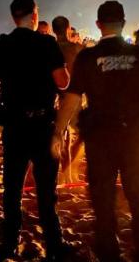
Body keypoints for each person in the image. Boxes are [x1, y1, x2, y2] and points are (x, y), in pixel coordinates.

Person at [53, 0, 139, 261]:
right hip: (135, 134)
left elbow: (73, 98)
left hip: (100, 136)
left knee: (103, 198)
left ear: (99, 25)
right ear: (123, 23)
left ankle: (109, 251)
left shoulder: (88, 57)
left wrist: (58, 131)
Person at [0, 0, 71, 260]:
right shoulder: (47, 43)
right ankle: (54, 243)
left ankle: (10, 241)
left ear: (14, 17)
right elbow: (63, 82)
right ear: (35, 15)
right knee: (46, 188)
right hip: (43, 123)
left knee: (12, 186)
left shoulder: (2, 45)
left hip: (13, 124)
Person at [51, 16, 85, 183]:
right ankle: (68, 170)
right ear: (68, 28)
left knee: (60, 135)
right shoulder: (77, 48)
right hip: (73, 95)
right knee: (80, 134)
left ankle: (64, 172)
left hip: (53, 95)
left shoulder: (50, 48)